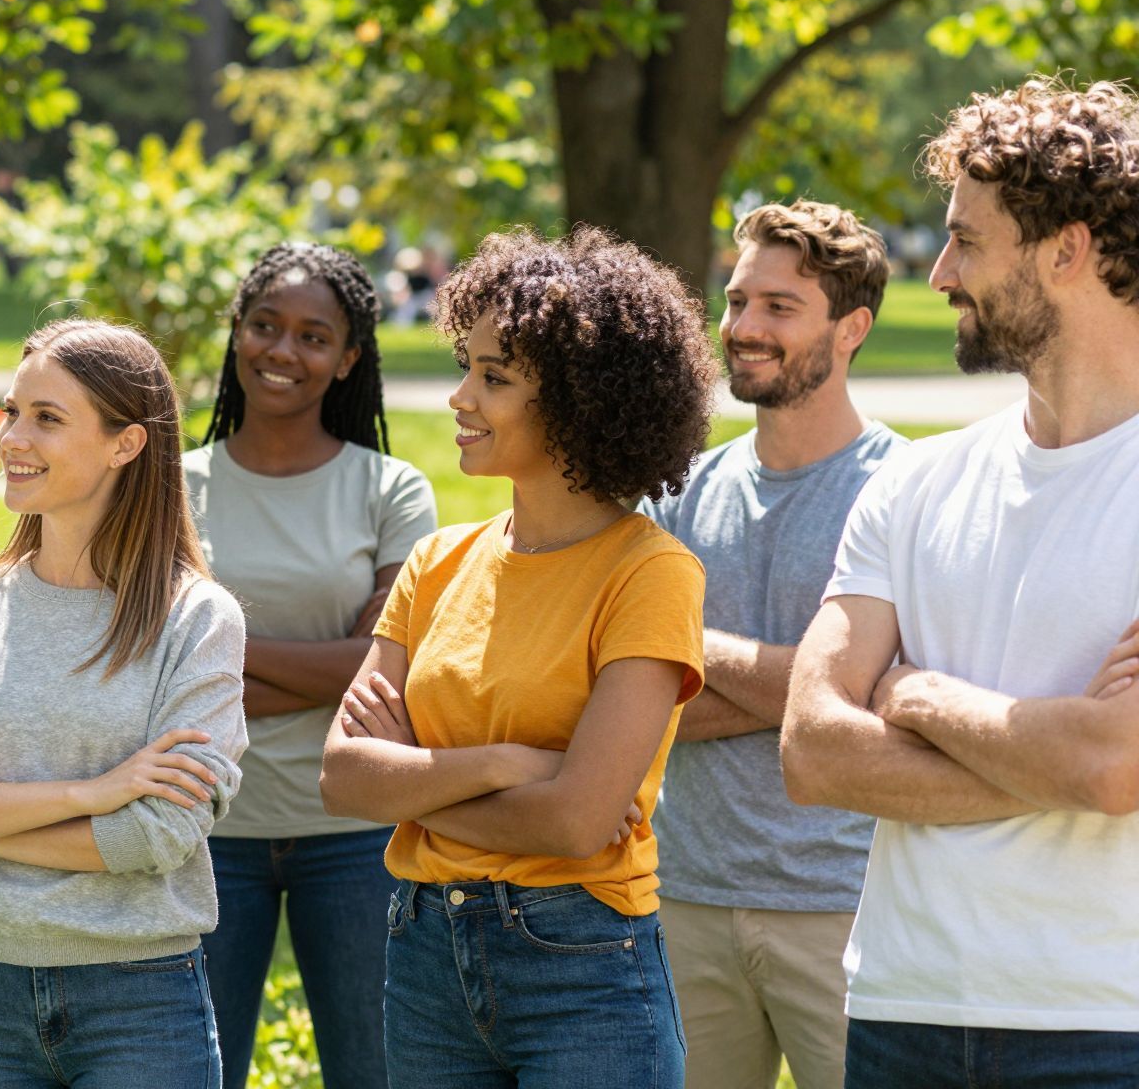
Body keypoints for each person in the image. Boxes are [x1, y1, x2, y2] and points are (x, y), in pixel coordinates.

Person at [783, 76, 1139, 1087]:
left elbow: (1115, 768)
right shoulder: (914, 481)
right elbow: (812, 750)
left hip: (1106, 1023)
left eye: (965, 241)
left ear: (1065, 250)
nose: (936, 272)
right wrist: (1052, 756)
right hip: (901, 1007)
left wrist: (914, 695)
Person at [322, 226, 718, 1089]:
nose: (461, 395)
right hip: (425, 952)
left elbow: (577, 823)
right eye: (467, 364)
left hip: (582, 965)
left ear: (580, 402)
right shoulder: (438, 562)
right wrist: (510, 765)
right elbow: (344, 779)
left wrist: (419, 787)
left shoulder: (650, 573)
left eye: (494, 377)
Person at [0, 318, 249, 1088]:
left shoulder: (197, 619)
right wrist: (90, 795)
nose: (12, 438)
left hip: (138, 1003)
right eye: (12, 411)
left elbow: (160, 832)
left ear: (125, 444)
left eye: (46, 418)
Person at [640, 200, 903, 1089]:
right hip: (685, 901)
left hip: (845, 909)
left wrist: (684, 649)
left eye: (780, 308)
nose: (744, 329)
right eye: (738, 300)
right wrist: (812, 690)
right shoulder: (680, 491)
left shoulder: (902, 492)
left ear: (852, 327)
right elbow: (626, 689)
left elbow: (888, 702)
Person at [187, 241, 435, 1088]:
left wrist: (215, 660)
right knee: (192, 1071)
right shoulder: (171, 488)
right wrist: (332, 669)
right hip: (202, 827)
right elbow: (148, 671)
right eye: (264, 326)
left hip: (356, 829)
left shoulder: (391, 490)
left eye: (312, 336)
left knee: (375, 1072)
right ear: (236, 332)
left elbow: (380, 671)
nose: (283, 352)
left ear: (348, 357)